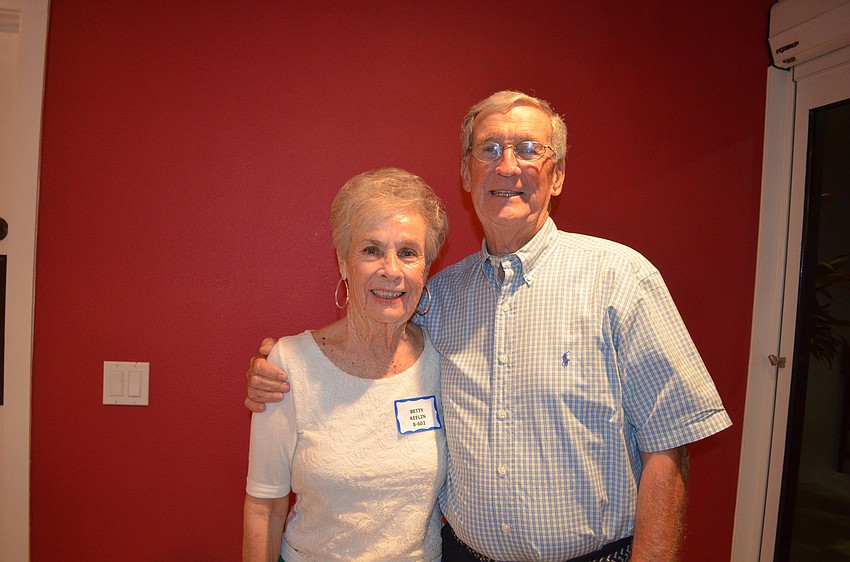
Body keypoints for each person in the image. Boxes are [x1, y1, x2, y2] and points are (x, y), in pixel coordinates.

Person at [245, 91, 732, 562]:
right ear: (465, 172)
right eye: (490, 149)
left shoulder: (621, 280)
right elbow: (369, 335)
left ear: (557, 175)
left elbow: (668, 445)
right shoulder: (441, 300)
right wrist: (281, 365)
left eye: (528, 150)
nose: (507, 167)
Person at [242, 168, 450, 562]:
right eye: (371, 249)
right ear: (343, 263)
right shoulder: (289, 365)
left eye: (408, 252)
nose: (391, 270)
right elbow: (264, 508)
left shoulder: (443, 361)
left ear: (425, 269)